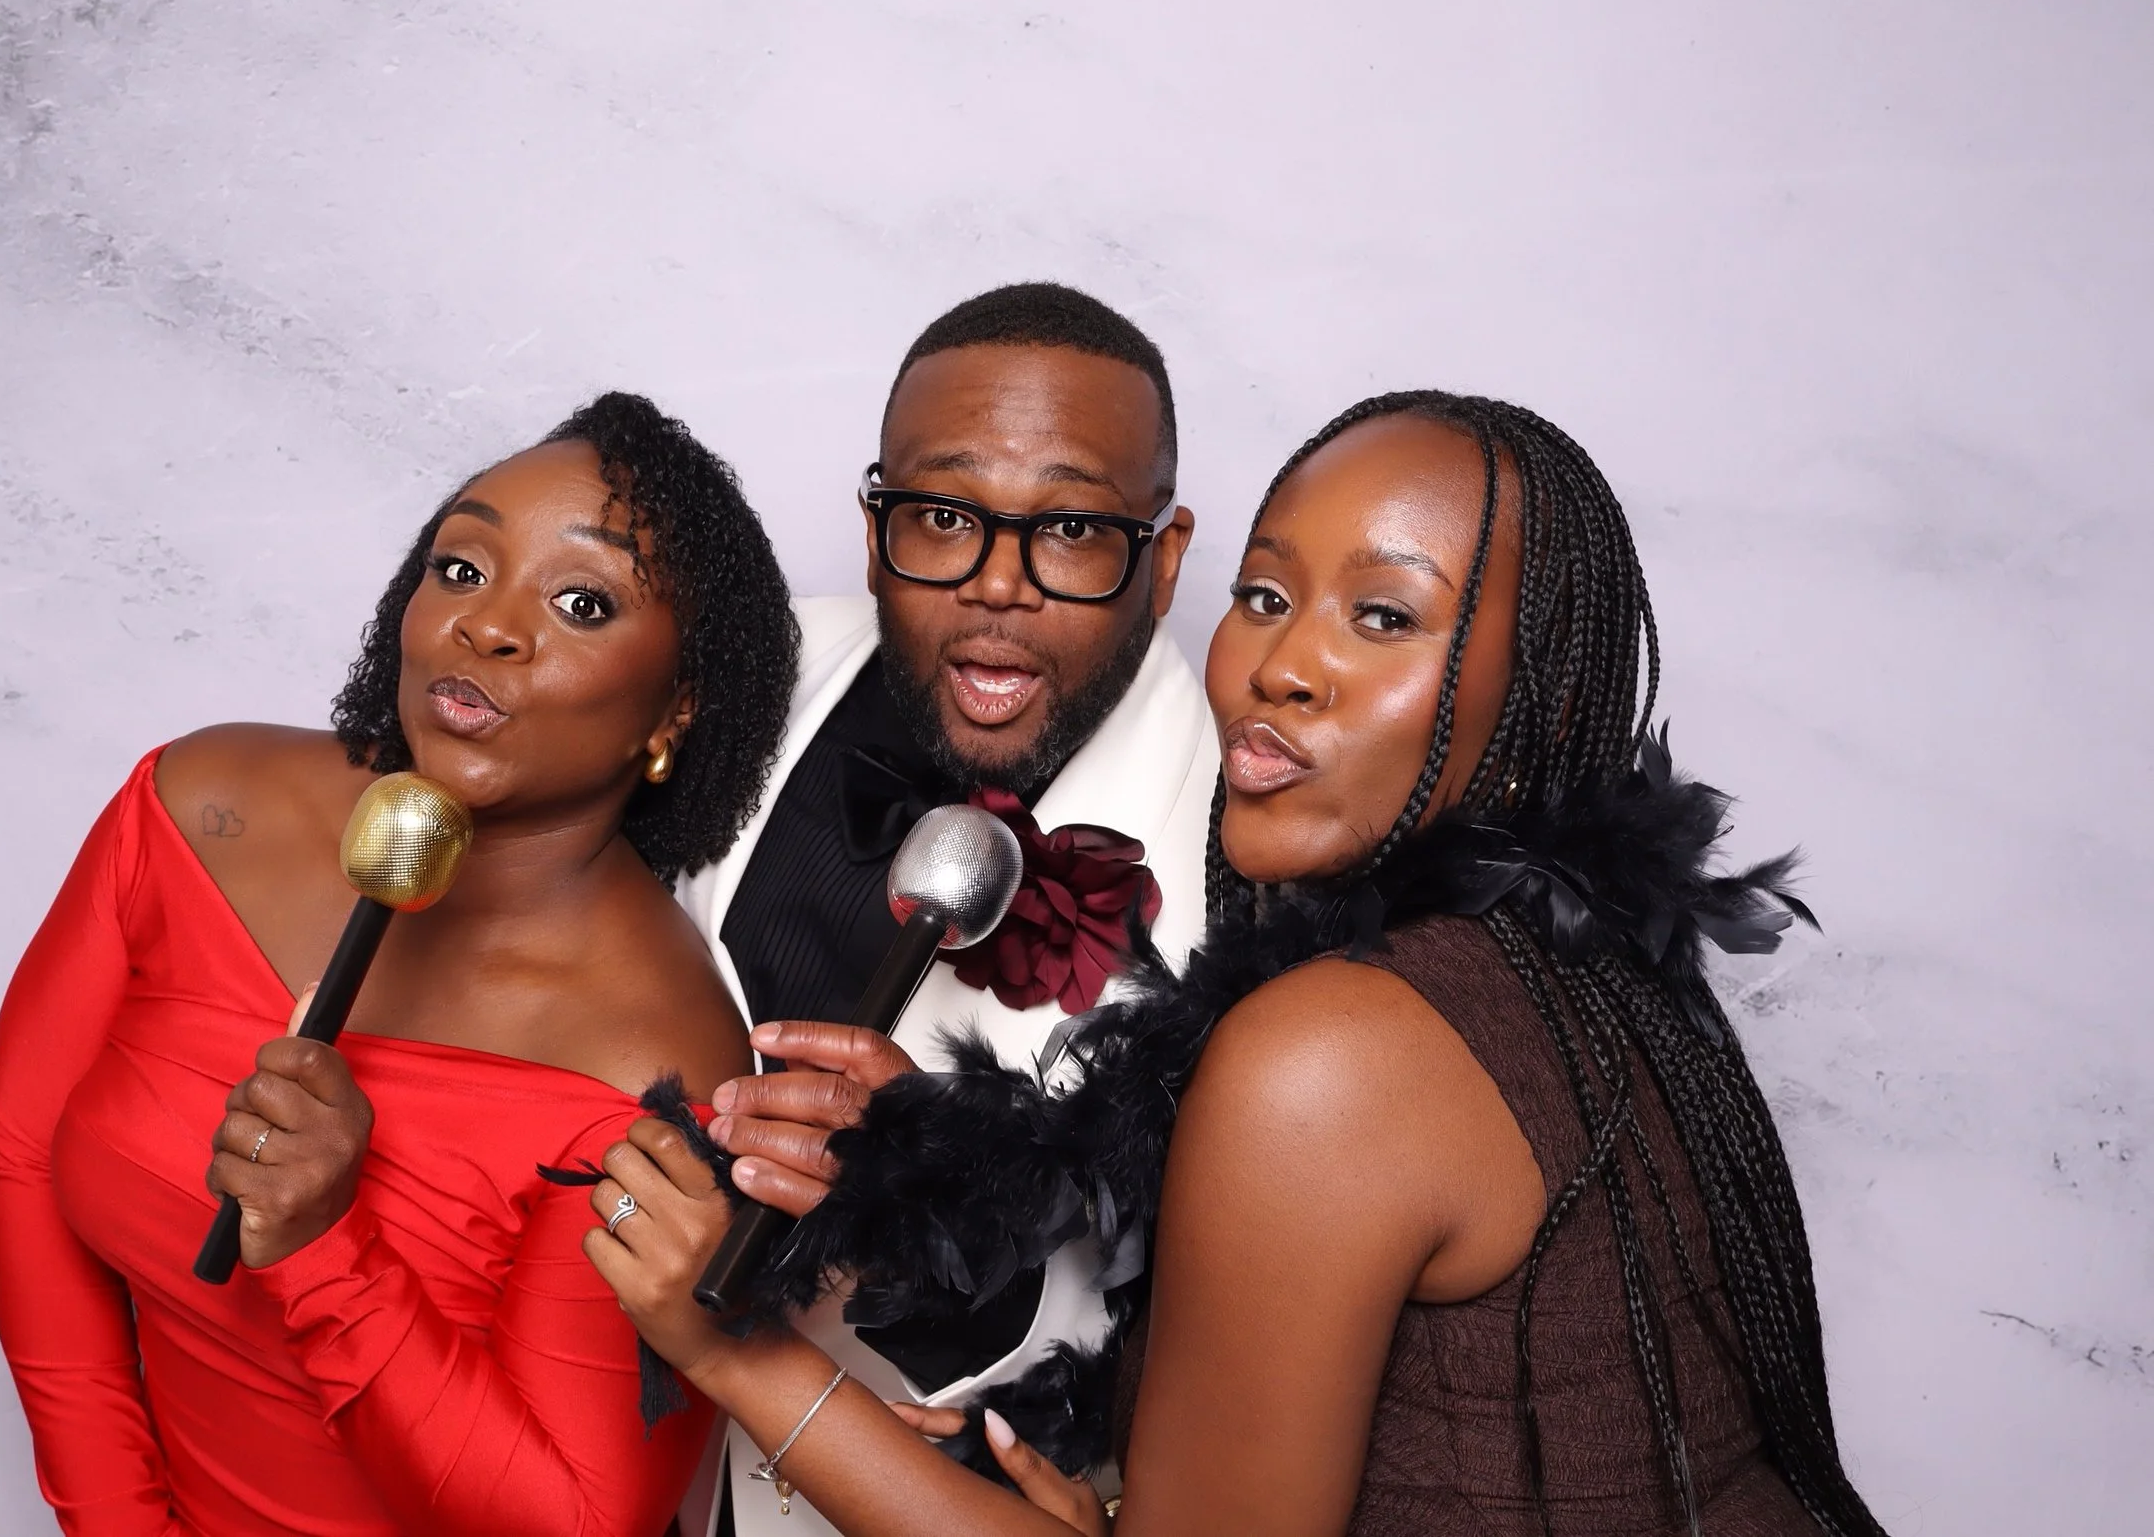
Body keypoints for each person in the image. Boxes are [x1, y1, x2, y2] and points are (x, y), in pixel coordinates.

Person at [585, 391, 1895, 1537]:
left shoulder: (1338, 1052)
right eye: (1266, 597)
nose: (1285, 665)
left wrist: (731, 1348)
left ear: (1541, 700)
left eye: (1383, 615)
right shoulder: (1533, 974)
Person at [0, 394, 799, 1537]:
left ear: (674, 710)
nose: (488, 626)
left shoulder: (653, 1056)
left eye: (580, 601)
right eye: (461, 568)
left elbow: (578, 1520)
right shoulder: (199, 802)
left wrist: (323, 1248)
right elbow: (21, 1153)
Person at [665, 282, 1222, 1535]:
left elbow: (1203, 1338)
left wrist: (912, 1211)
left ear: (1166, 555)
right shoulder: (735, 683)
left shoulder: (1245, 873)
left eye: (1071, 526)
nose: (996, 586)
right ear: (873, 528)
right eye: (941, 513)